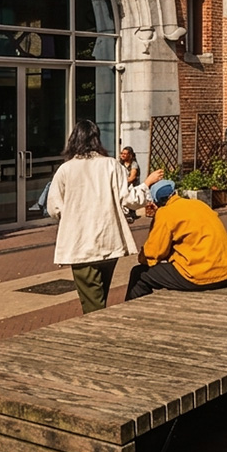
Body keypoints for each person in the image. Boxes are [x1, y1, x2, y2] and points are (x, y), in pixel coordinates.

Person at [46, 120, 163, 313]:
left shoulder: (66, 170)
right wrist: (146, 185)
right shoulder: (111, 165)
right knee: (101, 293)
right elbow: (130, 199)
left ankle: (98, 334)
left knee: (93, 304)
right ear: (97, 139)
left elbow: (54, 208)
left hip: (81, 244)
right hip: (109, 241)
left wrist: (71, 216)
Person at [124, 179, 227, 301]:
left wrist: (142, 257)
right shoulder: (199, 204)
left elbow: (153, 253)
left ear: (156, 203)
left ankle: (133, 313)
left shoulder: (165, 213)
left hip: (201, 274)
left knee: (139, 274)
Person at [119, 146, 142, 224]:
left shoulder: (134, 164)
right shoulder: (120, 164)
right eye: (122, 153)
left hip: (132, 185)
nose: (122, 155)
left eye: (125, 154)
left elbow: (132, 177)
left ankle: (130, 214)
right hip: (124, 184)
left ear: (130, 155)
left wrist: (123, 182)